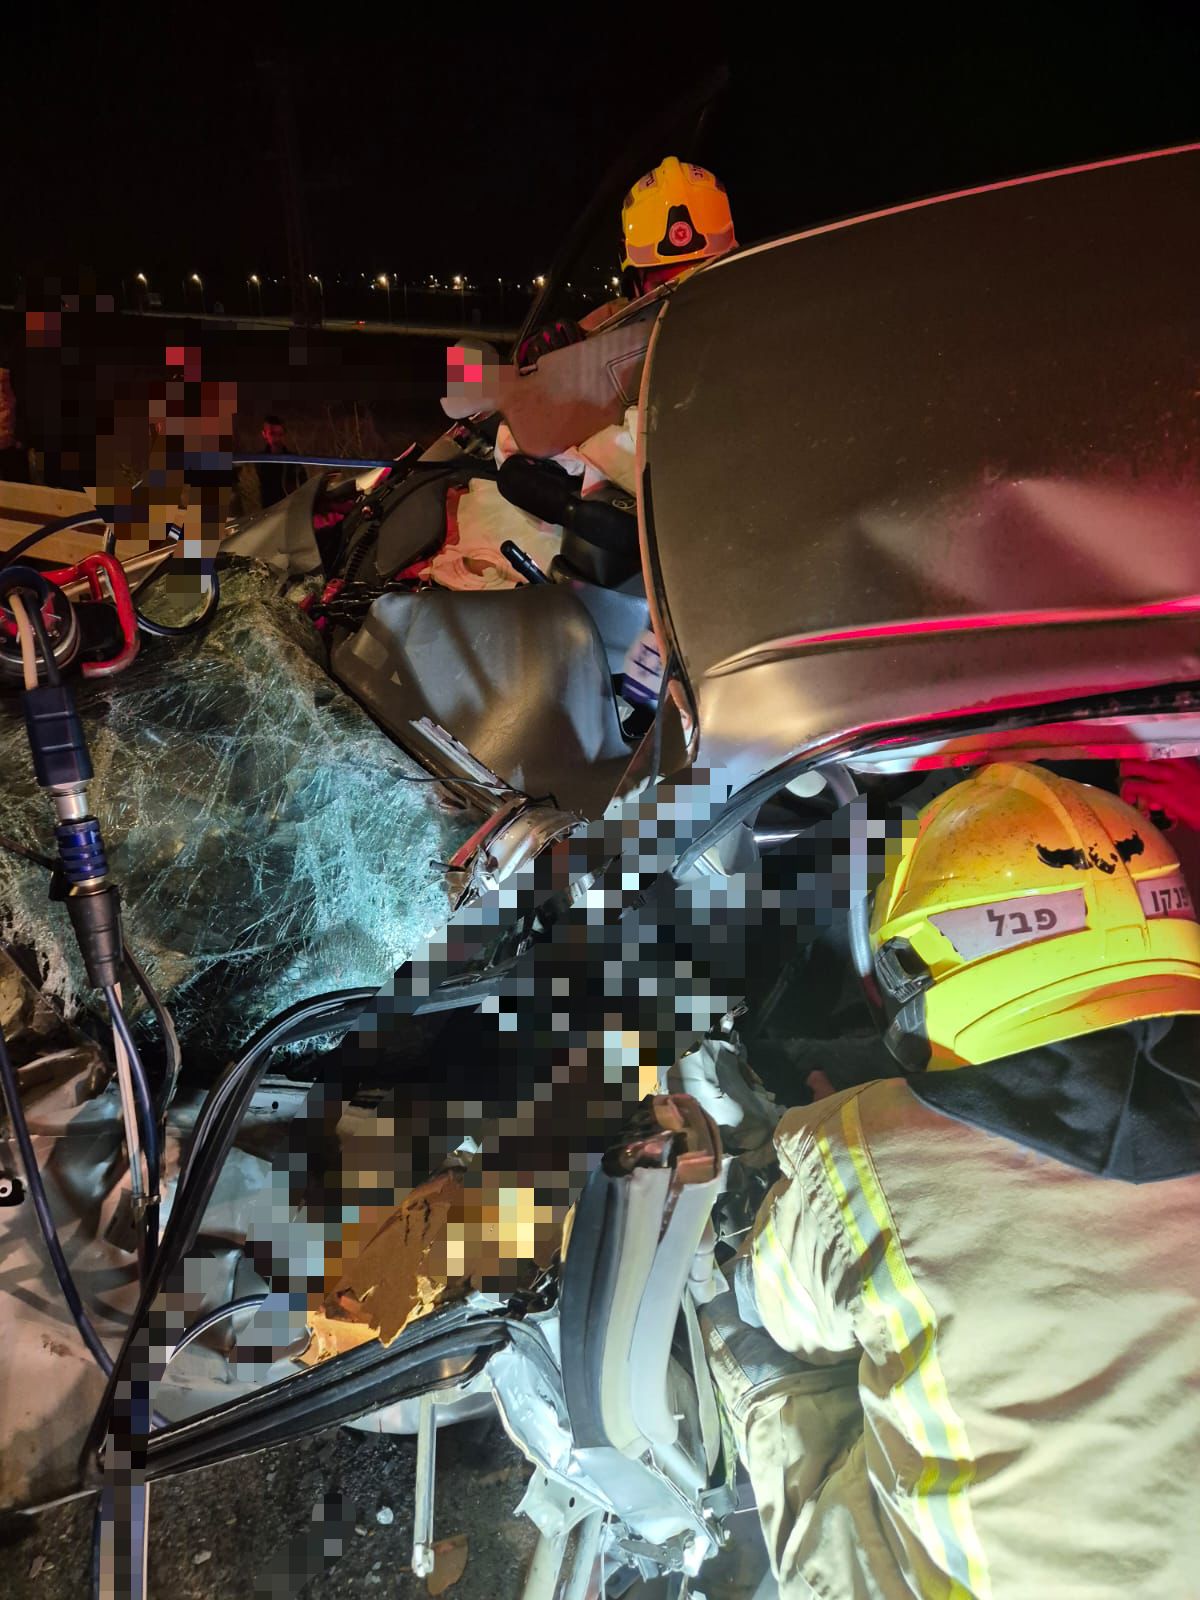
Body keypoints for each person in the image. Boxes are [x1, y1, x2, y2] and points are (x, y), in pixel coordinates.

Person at [704, 761, 1200, 1596]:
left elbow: (779, 1313)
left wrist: (801, 1172)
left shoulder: (858, 1158)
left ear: (910, 975)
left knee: (751, 1346)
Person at [250, 414, 305, 510]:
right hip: (265, 512)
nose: (277, 438)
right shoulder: (257, 461)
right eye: (272, 433)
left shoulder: (294, 461)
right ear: (264, 434)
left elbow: (304, 486)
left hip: (289, 509)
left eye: (280, 434)